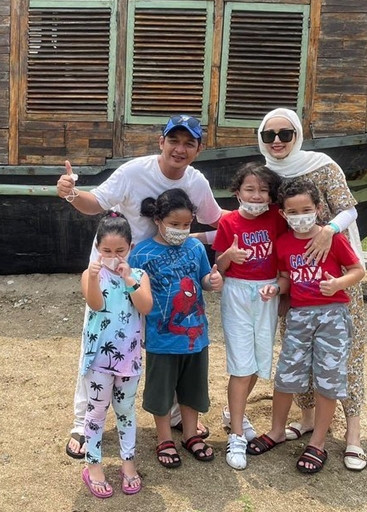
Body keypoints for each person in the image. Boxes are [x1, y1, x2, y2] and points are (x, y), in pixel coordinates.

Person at [56, 114, 222, 457]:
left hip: (161, 281)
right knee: (98, 340)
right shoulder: (134, 172)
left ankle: (175, 411)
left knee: (166, 341)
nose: (180, 149)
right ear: (160, 142)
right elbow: (96, 203)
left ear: (198, 149)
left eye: (188, 143)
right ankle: (84, 420)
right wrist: (72, 193)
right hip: (114, 271)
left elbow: (221, 222)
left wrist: (199, 236)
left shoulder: (197, 183)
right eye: (173, 140)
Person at [257, 108, 367, 470]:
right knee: (296, 351)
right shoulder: (266, 174)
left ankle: (352, 434)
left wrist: (329, 230)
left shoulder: (322, 165)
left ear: (298, 134)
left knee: (344, 356)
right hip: (295, 276)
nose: (277, 141)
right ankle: (306, 421)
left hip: (333, 275)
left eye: (285, 134)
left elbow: (348, 208)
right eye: (269, 134)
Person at [130, 188, 224, 468]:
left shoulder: (195, 248)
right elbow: (133, 293)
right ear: (158, 220)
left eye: (186, 225)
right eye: (174, 224)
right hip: (161, 338)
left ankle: (191, 434)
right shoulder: (141, 253)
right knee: (161, 391)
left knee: (193, 389)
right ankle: (164, 439)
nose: (181, 230)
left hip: (196, 336)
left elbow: (203, 278)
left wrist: (212, 281)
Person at [212, 162, 287, 470]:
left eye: (263, 191)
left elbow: (284, 267)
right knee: (241, 365)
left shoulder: (278, 220)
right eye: (250, 190)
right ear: (237, 192)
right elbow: (220, 265)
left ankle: (234, 412)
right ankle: (238, 434)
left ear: (272, 196)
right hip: (237, 294)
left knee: (258, 362)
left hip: (267, 293)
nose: (256, 196)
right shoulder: (228, 222)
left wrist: (279, 290)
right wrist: (229, 256)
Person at [78, 211, 153, 498]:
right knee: (96, 411)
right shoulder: (89, 274)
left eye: (120, 251)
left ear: (130, 247)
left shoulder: (140, 275)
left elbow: (145, 307)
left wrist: (130, 279)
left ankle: (128, 463)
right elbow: (96, 305)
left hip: (129, 359)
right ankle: (93, 466)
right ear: (97, 249)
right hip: (99, 358)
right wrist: (95, 278)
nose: (113, 256)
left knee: (125, 412)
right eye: (107, 251)